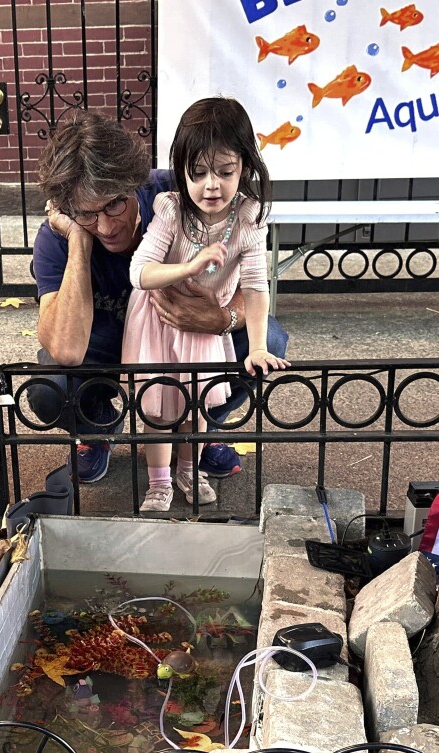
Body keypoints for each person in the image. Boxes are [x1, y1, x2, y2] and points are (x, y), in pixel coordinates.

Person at [30, 111, 289, 482]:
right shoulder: (58, 236)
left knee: (270, 342)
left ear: (134, 183)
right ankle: (98, 429)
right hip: (105, 345)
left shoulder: (182, 193)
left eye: (114, 205)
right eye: (87, 214)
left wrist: (221, 318)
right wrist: (78, 241)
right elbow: (66, 349)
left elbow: (250, 279)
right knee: (49, 388)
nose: (105, 226)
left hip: (186, 336)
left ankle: (200, 428)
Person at [124, 98, 290, 510]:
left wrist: (256, 348)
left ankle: (188, 468)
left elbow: (254, 287)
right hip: (159, 320)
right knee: (160, 405)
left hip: (202, 323)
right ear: (181, 171)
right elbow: (139, 272)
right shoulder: (171, 209)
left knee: (196, 401)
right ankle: (159, 481)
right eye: (197, 173)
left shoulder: (249, 218)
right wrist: (189, 266)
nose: (210, 185)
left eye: (225, 172)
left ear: (245, 168)